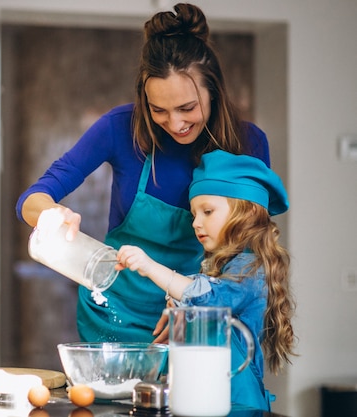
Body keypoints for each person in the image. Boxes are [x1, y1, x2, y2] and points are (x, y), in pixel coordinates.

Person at [16, 3, 271, 343]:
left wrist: (189, 304)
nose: (175, 124)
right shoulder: (119, 128)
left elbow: (251, 252)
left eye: (187, 108)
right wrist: (50, 213)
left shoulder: (248, 143)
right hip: (114, 313)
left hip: (196, 314)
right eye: (158, 110)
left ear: (214, 91)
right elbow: (30, 199)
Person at [116, 149, 296, 411]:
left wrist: (149, 267)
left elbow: (210, 299)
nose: (196, 223)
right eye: (194, 214)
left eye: (208, 211)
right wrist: (180, 309)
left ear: (244, 213)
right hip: (207, 395)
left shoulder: (250, 267)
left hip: (237, 402)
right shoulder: (222, 268)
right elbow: (200, 298)